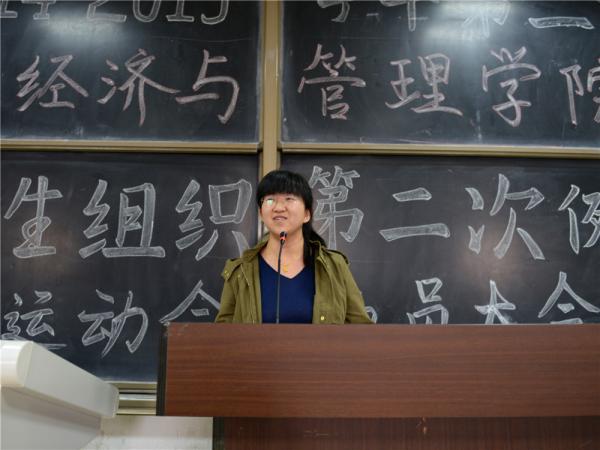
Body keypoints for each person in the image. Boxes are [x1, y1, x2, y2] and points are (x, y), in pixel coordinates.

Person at [215, 170, 372, 324]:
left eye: (289, 199)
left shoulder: (334, 266)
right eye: (270, 200)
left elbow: (362, 330)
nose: (278, 207)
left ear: (307, 214)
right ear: (261, 214)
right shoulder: (241, 271)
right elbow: (221, 335)